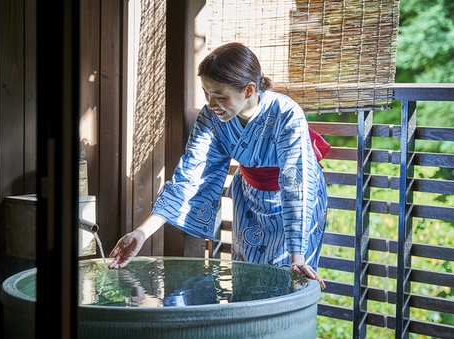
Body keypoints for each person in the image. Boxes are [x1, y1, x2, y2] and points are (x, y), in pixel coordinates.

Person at [108, 42, 328, 289]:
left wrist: (297, 255)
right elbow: (189, 176)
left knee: (290, 281)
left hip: (297, 201)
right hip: (251, 200)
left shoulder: (286, 113)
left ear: (249, 90)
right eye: (207, 94)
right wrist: (141, 233)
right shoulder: (211, 117)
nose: (212, 104)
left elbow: (295, 182)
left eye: (220, 96)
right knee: (247, 279)